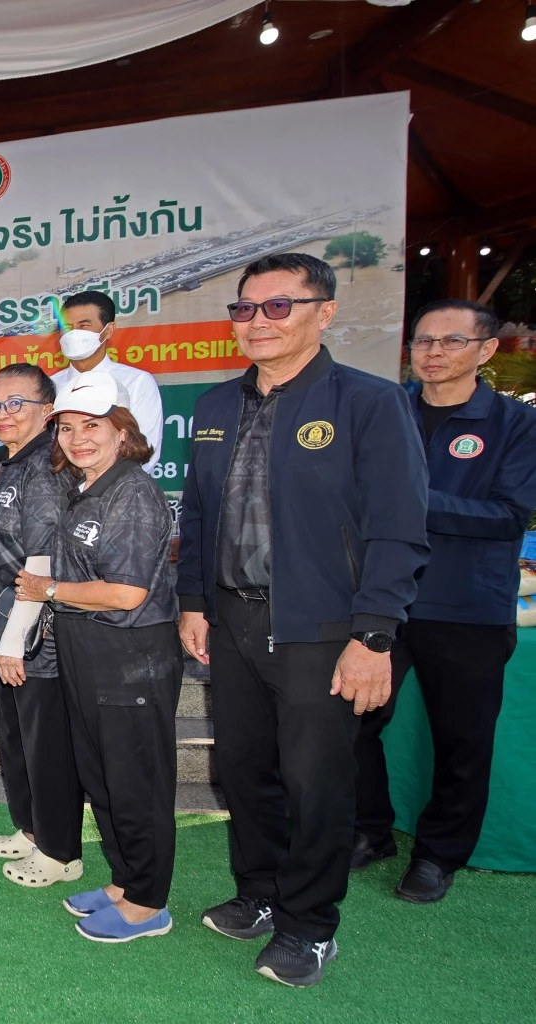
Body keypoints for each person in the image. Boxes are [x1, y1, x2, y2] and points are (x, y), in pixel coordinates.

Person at [177, 252, 428, 988]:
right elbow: (197, 514)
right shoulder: (215, 406)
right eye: (245, 308)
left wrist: (373, 635)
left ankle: (310, 925)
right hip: (232, 621)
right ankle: (258, 892)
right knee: (242, 768)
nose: (257, 321)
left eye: (278, 306)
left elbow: (398, 527)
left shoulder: (370, 403)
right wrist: (194, 602)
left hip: (323, 630)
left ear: (324, 313)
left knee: (315, 782)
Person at [353, 299, 536, 902]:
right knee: (351, 723)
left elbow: (508, 516)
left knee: (462, 740)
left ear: (486, 350)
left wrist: (410, 500)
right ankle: (368, 829)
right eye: (424, 341)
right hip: (380, 600)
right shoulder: (386, 408)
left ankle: (438, 855)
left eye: (452, 341)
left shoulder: (516, 423)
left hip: (467, 607)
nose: (433, 353)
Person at [14, 370, 182, 942]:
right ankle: (125, 882)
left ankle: (148, 903)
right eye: (67, 428)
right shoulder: (89, 487)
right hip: (86, 648)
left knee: (134, 781)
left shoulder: (131, 490)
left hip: (129, 654)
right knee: (102, 776)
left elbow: (127, 592)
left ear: (122, 431)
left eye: (92, 426)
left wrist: (48, 590)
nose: (78, 438)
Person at [0, 363, 85, 888]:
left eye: (16, 403)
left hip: (37, 633)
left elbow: (41, 560)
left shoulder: (45, 467)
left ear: (48, 411)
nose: (3, 414)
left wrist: (15, 639)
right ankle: (32, 830)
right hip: (3, 624)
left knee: (45, 746)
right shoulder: (5, 463)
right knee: (16, 738)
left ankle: (60, 852)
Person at [49, 290, 165, 475]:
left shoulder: (136, 382)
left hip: (118, 488)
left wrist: (94, 486)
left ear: (108, 330)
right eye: (68, 327)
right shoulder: (50, 385)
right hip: (58, 489)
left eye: (84, 325)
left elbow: (145, 453)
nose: (74, 333)